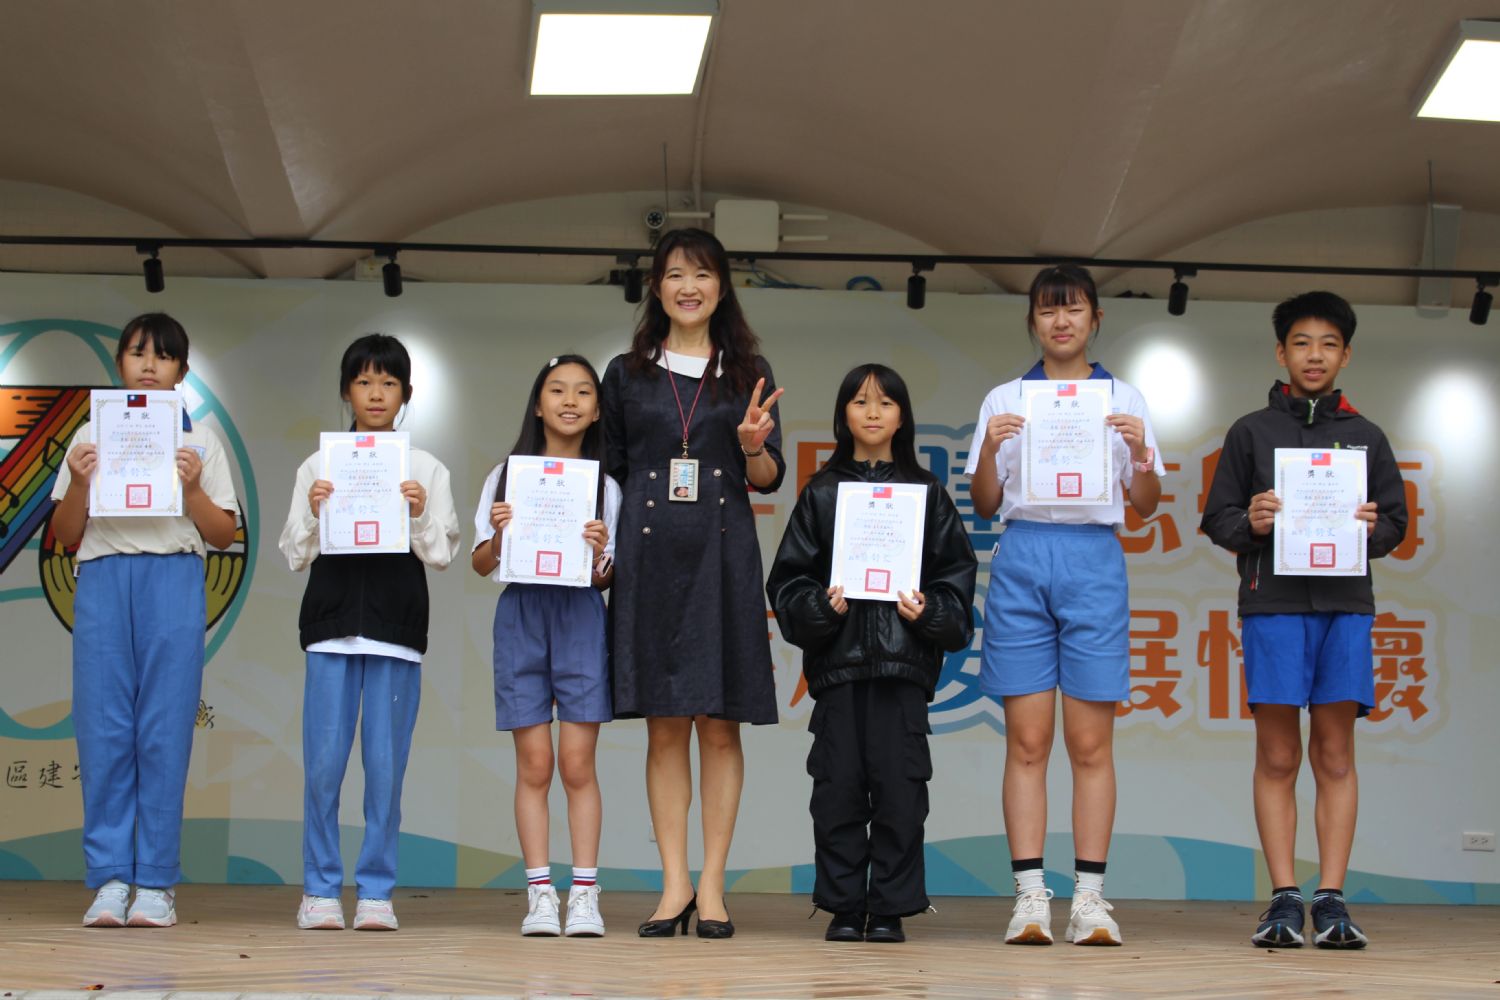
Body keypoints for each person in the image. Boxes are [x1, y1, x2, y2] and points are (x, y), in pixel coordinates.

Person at [964, 264, 1164, 947]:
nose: (1061, 321)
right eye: (1049, 310)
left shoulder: (1124, 398)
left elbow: (1145, 506)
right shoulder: (1005, 398)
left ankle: (1090, 901)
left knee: (1090, 743)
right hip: (1023, 554)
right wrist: (990, 449)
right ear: (1033, 321)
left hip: (1094, 558)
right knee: (1027, 742)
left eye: (1073, 308)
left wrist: (1140, 453)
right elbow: (985, 503)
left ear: (1095, 319)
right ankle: (1029, 899)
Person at [1200, 291, 1406, 949]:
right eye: (1301, 343)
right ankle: (1285, 897)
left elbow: (1395, 523)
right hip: (1275, 606)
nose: (1314, 355)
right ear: (1280, 352)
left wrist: (1371, 528)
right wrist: (1252, 522)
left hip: (1345, 608)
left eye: (1327, 344)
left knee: (1336, 754)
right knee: (1278, 754)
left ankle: (1332, 899)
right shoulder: (1250, 432)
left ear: (1346, 355)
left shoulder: (1368, 436)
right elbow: (1218, 518)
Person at [601, 228, 784, 939]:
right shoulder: (626, 373)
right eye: (675, 274)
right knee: (665, 724)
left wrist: (751, 447)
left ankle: (712, 886)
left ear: (722, 286)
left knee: (720, 725)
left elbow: (767, 476)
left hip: (723, 554)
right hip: (648, 559)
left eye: (702, 274)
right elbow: (610, 472)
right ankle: (673, 883)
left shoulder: (747, 371)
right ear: (656, 286)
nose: (689, 286)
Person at [767, 364, 976, 944]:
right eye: (860, 401)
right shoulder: (821, 492)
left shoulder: (927, 495)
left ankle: (889, 908)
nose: (873, 412)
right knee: (835, 791)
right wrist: (821, 608)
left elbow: (957, 583)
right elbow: (787, 582)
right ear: (844, 416)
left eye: (885, 402)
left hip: (903, 672)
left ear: (903, 416)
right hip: (838, 670)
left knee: (900, 794)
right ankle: (841, 905)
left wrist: (928, 612)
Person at [50, 312, 240, 928]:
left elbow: (223, 534)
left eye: (163, 356)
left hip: (173, 577)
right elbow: (65, 532)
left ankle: (155, 883)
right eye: (137, 353)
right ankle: (109, 880)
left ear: (182, 369)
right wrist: (80, 483)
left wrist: (192, 490)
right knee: (103, 729)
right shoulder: (89, 435)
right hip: (104, 576)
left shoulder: (201, 441)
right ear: (119, 365)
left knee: (164, 729)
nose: (149, 365)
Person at [279, 333, 460, 932]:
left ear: (406, 394)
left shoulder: (425, 469)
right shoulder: (318, 465)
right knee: (322, 769)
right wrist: (314, 509)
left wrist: (418, 511)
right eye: (363, 381)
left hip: (395, 633)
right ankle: (319, 890)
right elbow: (293, 553)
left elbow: (442, 553)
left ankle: (377, 892)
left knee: (386, 770)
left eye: (388, 382)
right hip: (330, 631)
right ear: (346, 391)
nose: (376, 393)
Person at [471, 355, 619, 937]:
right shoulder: (505, 477)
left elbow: (607, 576)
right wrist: (499, 534)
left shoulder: (606, 485)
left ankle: (584, 894)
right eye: (557, 390)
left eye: (583, 392)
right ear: (538, 404)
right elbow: (481, 563)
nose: (570, 401)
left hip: (581, 614)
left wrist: (601, 552)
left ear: (598, 410)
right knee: (534, 764)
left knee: (578, 763)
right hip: (522, 614)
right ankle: (539, 895)